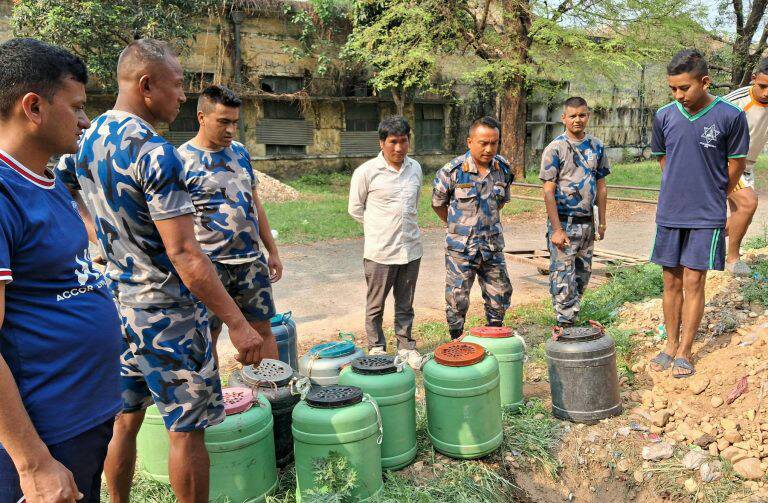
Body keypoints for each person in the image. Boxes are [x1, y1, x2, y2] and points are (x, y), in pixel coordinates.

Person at [57, 40, 263, 503]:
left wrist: (95, 233)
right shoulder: (154, 152)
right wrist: (236, 322)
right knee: (187, 429)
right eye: (176, 86)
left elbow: (64, 184)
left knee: (123, 420)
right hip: (166, 312)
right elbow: (186, 255)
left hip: (115, 307)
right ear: (146, 86)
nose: (183, 97)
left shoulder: (84, 138)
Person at [0, 38, 122, 503]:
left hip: (83, 418)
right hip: (42, 436)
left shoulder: (47, 182)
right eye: (75, 107)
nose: (85, 121)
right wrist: (32, 463)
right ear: (33, 107)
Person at [649, 49, 748, 377]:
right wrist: (679, 186)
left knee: (694, 279)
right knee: (670, 280)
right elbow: (664, 159)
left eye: (684, 88)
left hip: (706, 214)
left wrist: (713, 192)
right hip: (670, 212)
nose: (678, 95)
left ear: (704, 82)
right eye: (673, 89)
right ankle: (669, 344)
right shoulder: (664, 115)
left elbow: (736, 165)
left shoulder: (730, 117)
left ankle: (686, 350)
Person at [178, 85, 282, 365]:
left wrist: (272, 250)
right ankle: (213, 402)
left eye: (235, 122)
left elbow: (254, 204)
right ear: (201, 117)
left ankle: (272, 397)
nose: (231, 130)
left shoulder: (240, 153)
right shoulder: (181, 161)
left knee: (262, 330)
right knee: (208, 334)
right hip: (210, 266)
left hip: (251, 262)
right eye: (223, 122)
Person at [348, 116, 426, 369]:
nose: (399, 148)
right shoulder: (367, 172)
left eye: (403, 141)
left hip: (411, 249)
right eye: (393, 142)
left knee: (405, 303)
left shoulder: (415, 168)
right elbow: (355, 209)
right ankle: (376, 347)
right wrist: (378, 230)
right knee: (376, 304)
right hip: (380, 252)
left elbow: (413, 206)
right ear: (382, 143)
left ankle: (405, 346)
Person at [432, 116, 514, 340]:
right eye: (483, 143)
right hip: (462, 248)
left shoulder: (503, 169)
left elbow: (501, 202)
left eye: (494, 143)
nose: (489, 148)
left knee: (499, 294)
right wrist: (460, 227)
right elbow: (438, 204)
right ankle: (456, 340)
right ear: (470, 142)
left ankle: (494, 335)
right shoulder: (452, 172)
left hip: (492, 246)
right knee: (457, 297)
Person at [540, 97, 610, 327]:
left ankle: (572, 317)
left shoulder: (597, 146)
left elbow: (601, 186)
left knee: (582, 275)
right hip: (565, 223)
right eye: (572, 116)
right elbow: (548, 191)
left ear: (588, 116)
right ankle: (564, 325)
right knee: (562, 276)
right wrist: (557, 229)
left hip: (587, 223)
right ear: (564, 118)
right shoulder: (555, 149)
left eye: (582, 115)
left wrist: (602, 222)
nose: (577, 120)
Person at [723, 58, 768, 276]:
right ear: (753, 79)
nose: (767, 92)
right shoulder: (736, 101)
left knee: (743, 214)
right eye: (763, 86)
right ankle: (732, 259)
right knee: (749, 203)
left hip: (748, 164)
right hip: (725, 161)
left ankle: (713, 238)